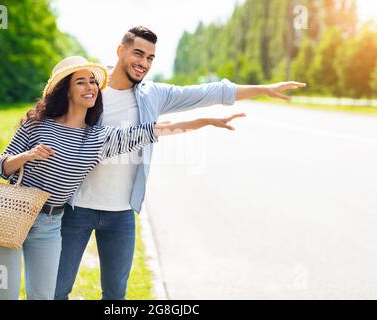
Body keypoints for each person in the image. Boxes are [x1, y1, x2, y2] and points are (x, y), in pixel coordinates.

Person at [55, 26, 306, 300]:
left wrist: (264, 89)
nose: (143, 63)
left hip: (122, 213)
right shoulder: (92, 86)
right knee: (56, 289)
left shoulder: (152, 95)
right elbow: (54, 118)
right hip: (76, 206)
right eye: (138, 53)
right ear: (120, 50)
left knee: (116, 296)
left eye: (150, 58)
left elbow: (208, 92)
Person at [0, 55, 246, 300]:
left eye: (93, 82)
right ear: (66, 90)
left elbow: (154, 130)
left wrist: (208, 121)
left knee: (44, 296)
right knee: (4, 295)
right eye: (81, 82)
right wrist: (26, 156)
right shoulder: (37, 124)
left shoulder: (98, 138)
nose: (90, 87)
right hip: (12, 213)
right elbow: (0, 166)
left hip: (50, 225)